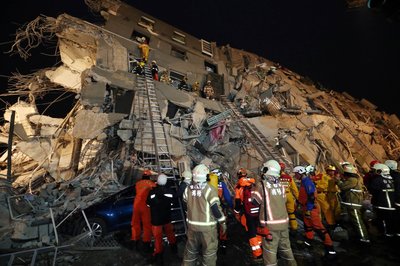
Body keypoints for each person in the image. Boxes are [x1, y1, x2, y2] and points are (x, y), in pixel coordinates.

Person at [252, 160, 297, 266]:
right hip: (284, 224)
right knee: (286, 250)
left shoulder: (261, 186)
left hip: (270, 227)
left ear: (267, 170)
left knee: (270, 253)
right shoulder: (281, 186)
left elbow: (255, 202)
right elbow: (284, 200)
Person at [182, 164, 226, 266]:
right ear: (206, 176)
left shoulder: (188, 189)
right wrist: (223, 223)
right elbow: (216, 210)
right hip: (207, 229)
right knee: (209, 254)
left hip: (192, 227)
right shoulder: (209, 189)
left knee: (190, 252)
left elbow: (185, 205)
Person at [294, 166, 336, 256]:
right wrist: (298, 203)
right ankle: (309, 243)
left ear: (300, 173)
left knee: (319, 229)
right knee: (308, 227)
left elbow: (311, 197)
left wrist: (309, 209)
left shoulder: (307, 182)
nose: (295, 176)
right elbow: (303, 195)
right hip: (306, 208)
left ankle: (330, 248)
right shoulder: (304, 182)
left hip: (311, 209)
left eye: (296, 174)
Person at [335, 163, 370, 243]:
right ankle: (362, 235)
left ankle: (364, 238)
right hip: (354, 203)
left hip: (353, 204)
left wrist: (338, 181)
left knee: (358, 222)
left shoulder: (352, 180)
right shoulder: (356, 179)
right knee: (357, 221)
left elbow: (343, 186)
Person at [146, 174, 177, 265]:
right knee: (170, 234)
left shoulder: (152, 193)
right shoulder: (170, 192)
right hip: (167, 218)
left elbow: (148, 204)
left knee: (157, 238)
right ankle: (174, 249)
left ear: (157, 182)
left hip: (156, 220)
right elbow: (174, 203)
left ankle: (159, 257)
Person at [233, 167, 263, 260]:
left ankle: (257, 254)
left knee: (251, 233)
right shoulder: (253, 183)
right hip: (257, 210)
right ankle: (261, 246)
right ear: (246, 175)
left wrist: (236, 212)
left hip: (248, 212)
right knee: (257, 230)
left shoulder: (239, 187)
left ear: (238, 176)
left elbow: (238, 202)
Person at [131, 169, 156, 253]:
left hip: (136, 206)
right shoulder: (152, 184)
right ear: (149, 176)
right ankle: (146, 244)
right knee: (146, 226)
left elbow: (134, 192)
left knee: (135, 224)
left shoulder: (137, 184)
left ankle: (134, 242)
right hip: (146, 207)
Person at [368, 163, 397, 238]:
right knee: (390, 221)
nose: (373, 172)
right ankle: (391, 234)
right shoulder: (392, 179)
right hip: (392, 205)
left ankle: (385, 236)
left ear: (379, 171)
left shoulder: (377, 180)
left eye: (375, 170)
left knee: (382, 221)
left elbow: (372, 189)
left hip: (381, 205)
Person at [209, 168, 234, 253]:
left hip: (209, 209)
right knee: (222, 225)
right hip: (221, 207)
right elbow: (227, 197)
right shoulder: (222, 184)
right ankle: (223, 243)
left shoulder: (206, 184)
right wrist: (231, 206)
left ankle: (211, 243)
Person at [312, 164, 341, 231]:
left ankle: (326, 224)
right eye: (331, 171)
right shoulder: (322, 175)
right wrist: (319, 187)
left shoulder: (333, 178)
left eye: (333, 171)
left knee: (330, 209)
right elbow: (314, 181)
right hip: (321, 195)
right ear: (327, 171)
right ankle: (329, 224)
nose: (332, 172)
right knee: (326, 209)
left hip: (328, 195)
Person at [279, 162, 299, 235]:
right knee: (291, 213)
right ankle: (294, 227)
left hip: (280, 197)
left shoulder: (276, 178)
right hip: (289, 196)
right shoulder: (289, 177)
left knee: (281, 214)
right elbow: (294, 189)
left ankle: (283, 228)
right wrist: (298, 198)